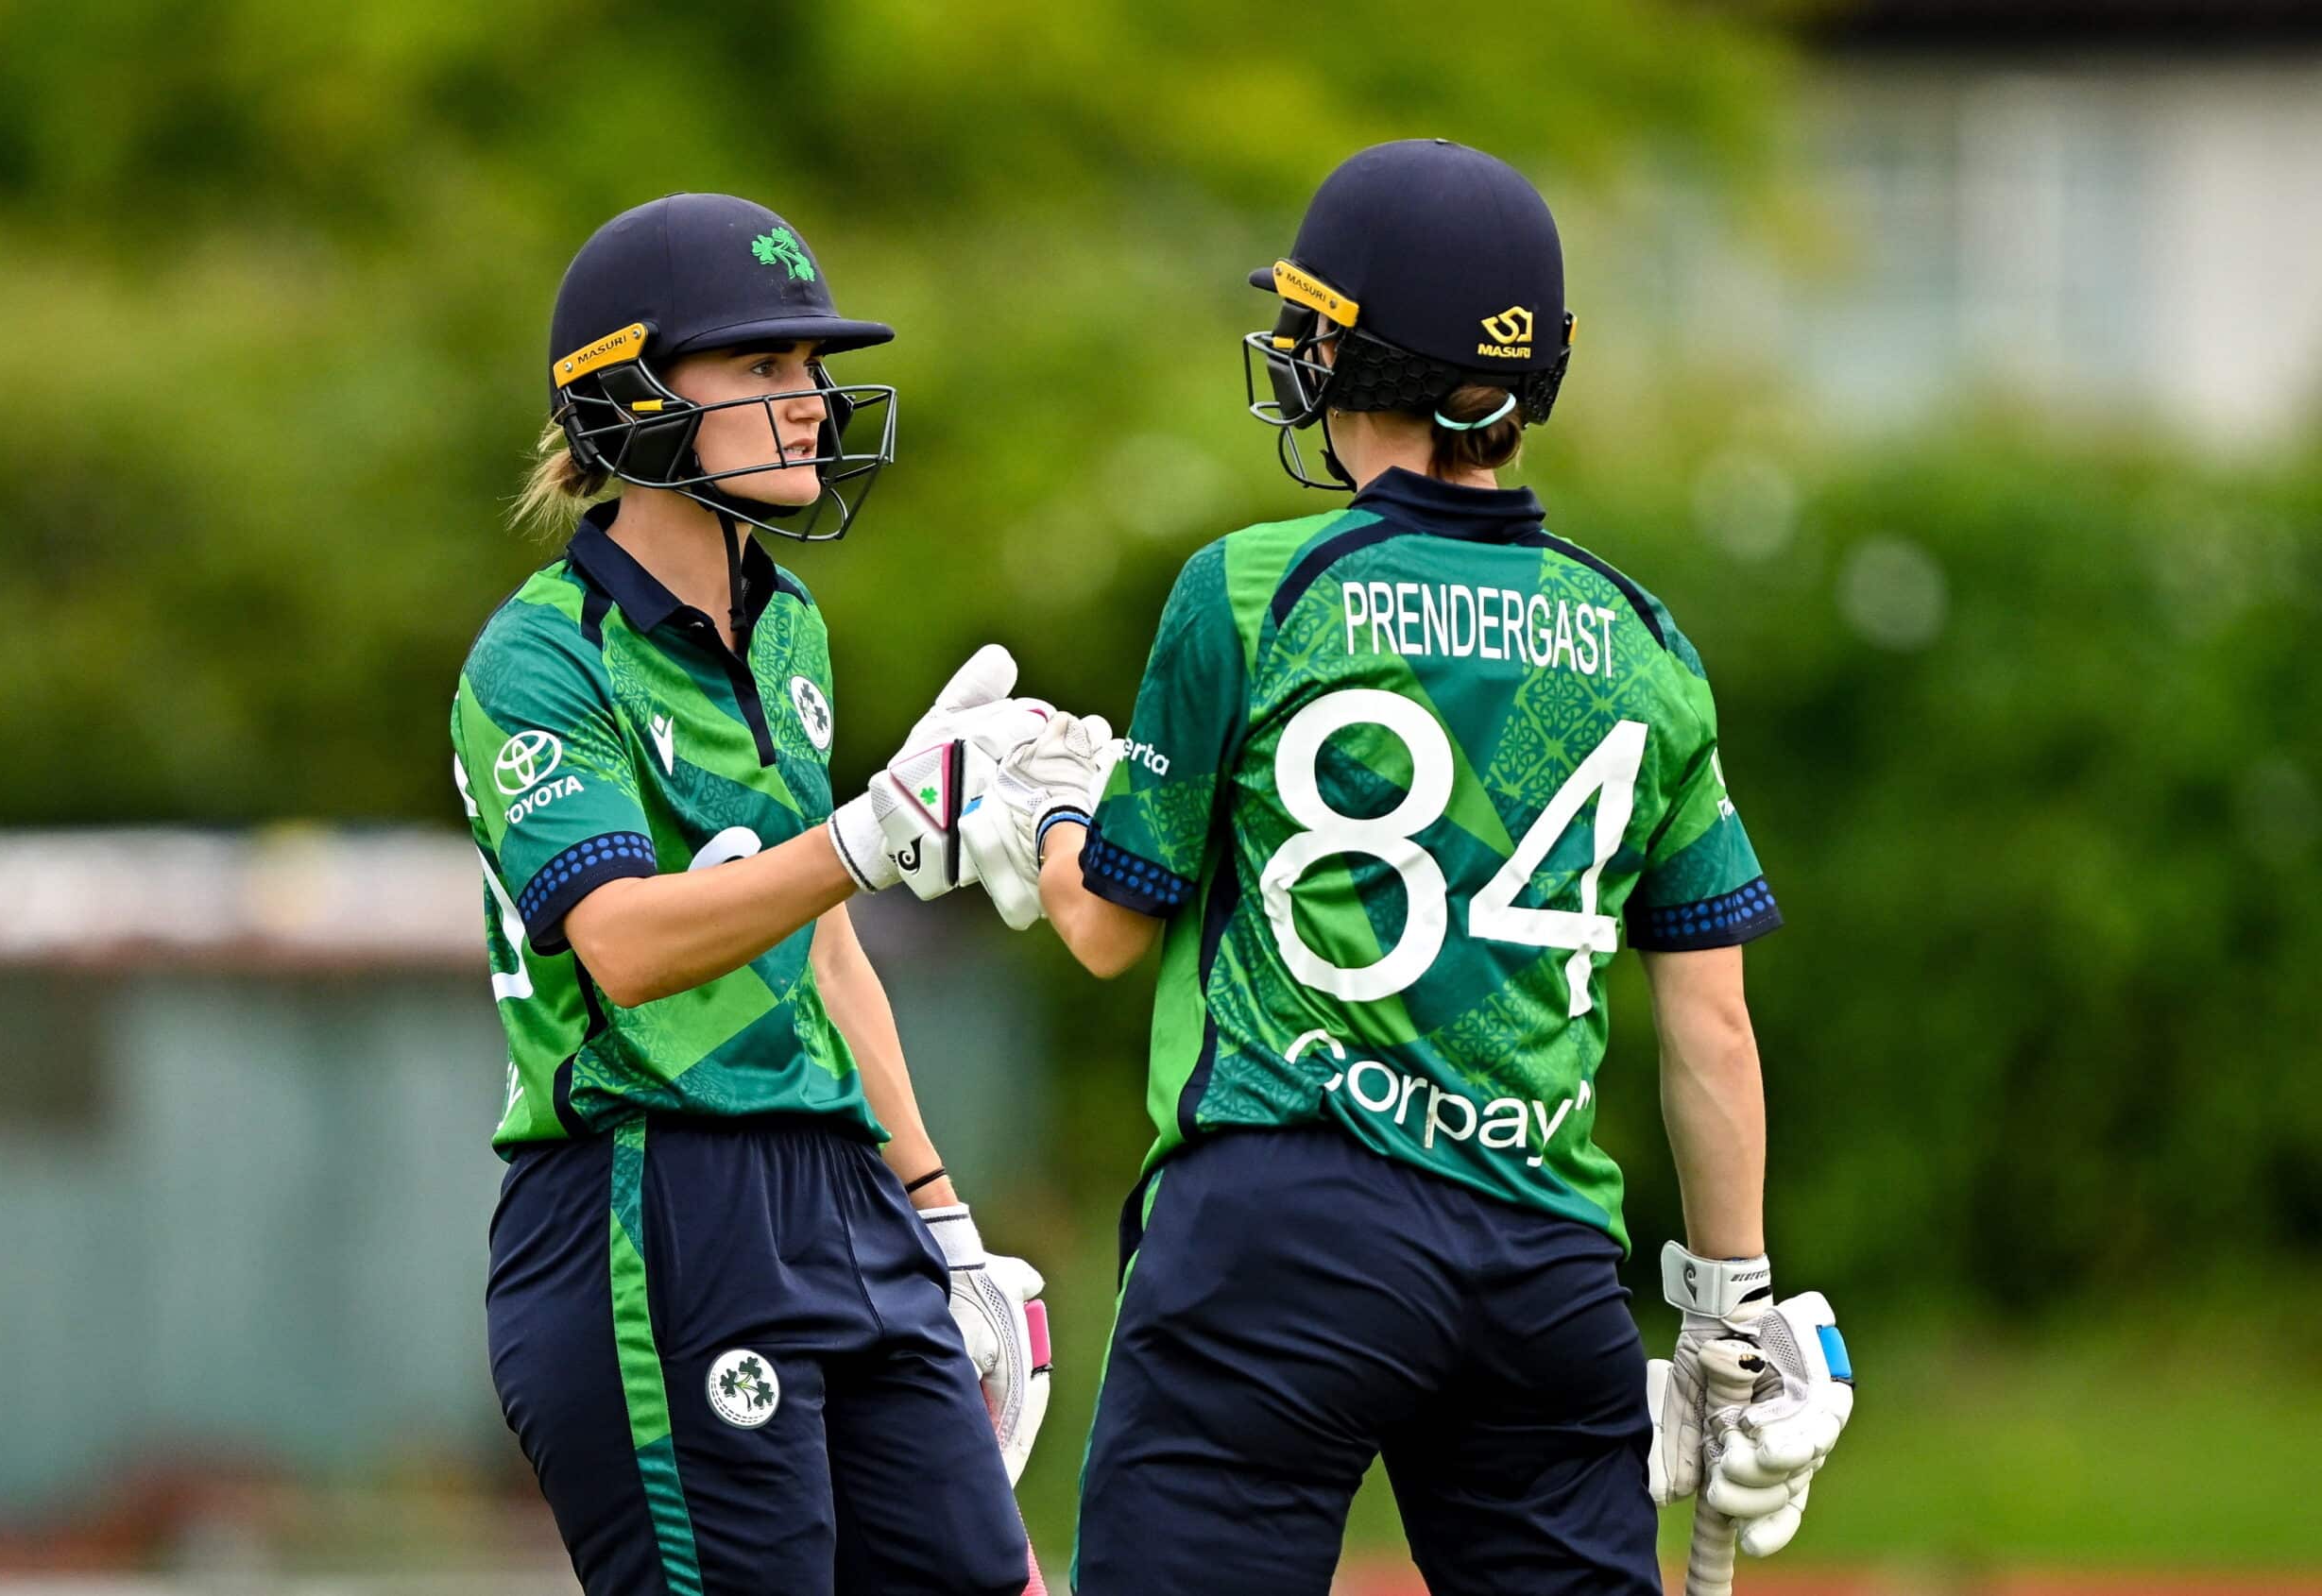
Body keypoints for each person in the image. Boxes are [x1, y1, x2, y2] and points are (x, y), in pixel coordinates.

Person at [956, 141, 1853, 1594]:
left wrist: (1049, 801)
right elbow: (1713, 1022)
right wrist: (1731, 1312)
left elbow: (1110, 929)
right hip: (1546, 1255)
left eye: (1315, 326)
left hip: (1282, 1228)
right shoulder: (1645, 638)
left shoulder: (1251, 588)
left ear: (1364, 356)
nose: (1296, 353)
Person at [450, 192, 1051, 1596]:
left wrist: (944, 1222)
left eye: (814, 370)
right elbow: (626, 948)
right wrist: (868, 833)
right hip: (649, 1202)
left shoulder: (786, 623)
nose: (813, 404)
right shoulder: (538, 659)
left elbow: (826, 948)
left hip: (838, 1191)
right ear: (634, 401)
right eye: (766, 369)